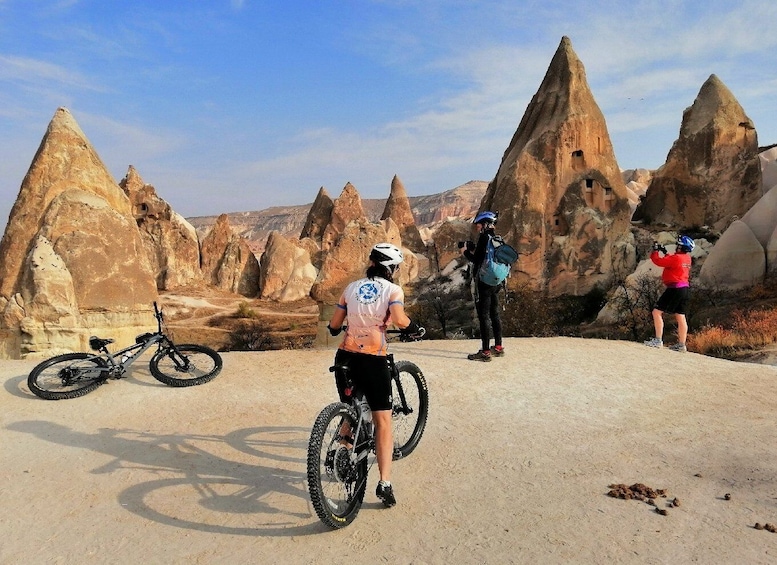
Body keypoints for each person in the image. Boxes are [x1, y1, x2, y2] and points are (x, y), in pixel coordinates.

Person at [326, 242, 422, 508]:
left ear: (371, 263)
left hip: (345, 357)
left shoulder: (351, 288)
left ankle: (342, 451)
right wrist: (416, 328)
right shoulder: (392, 290)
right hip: (372, 359)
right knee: (383, 421)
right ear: (391, 268)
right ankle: (384, 484)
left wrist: (335, 330)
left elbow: (335, 324)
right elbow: (401, 321)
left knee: (351, 407)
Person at [462, 210, 504, 362]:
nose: (477, 227)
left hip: (485, 283)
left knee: (484, 316)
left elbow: (476, 260)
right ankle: (498, 347)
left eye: (479, 224)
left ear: (485, 224)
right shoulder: (496, 238)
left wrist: (465, 252)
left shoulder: (484, 237)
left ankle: (485, 352)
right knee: (495, 314)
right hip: (497, 281)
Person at [643, 235, 695, 352]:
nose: (677, 247)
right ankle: (681, 345)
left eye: (678, 245)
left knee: (657, 312)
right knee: (681, 316)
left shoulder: (676, 258)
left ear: (681, 247)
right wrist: (665, 252)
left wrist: (655, 251)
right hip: (685, 289)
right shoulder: (687, 258)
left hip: (674, 288)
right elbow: (673, 262)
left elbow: (658, 261)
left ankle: (658, 340)